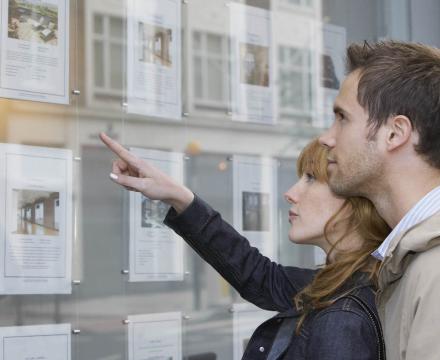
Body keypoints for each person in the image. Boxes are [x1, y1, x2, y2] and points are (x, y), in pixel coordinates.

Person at [100, 133, 390, 359]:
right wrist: (178, 196)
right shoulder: (342, 283)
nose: (290, 193)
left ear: (355, 201)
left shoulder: (343, 316)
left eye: (311, 179)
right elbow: (259, 276)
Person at [319, 40, 440, 360]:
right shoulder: (413, 256)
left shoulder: (434, 268)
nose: (327, 137)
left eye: (342, 118)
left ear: (395, 133)